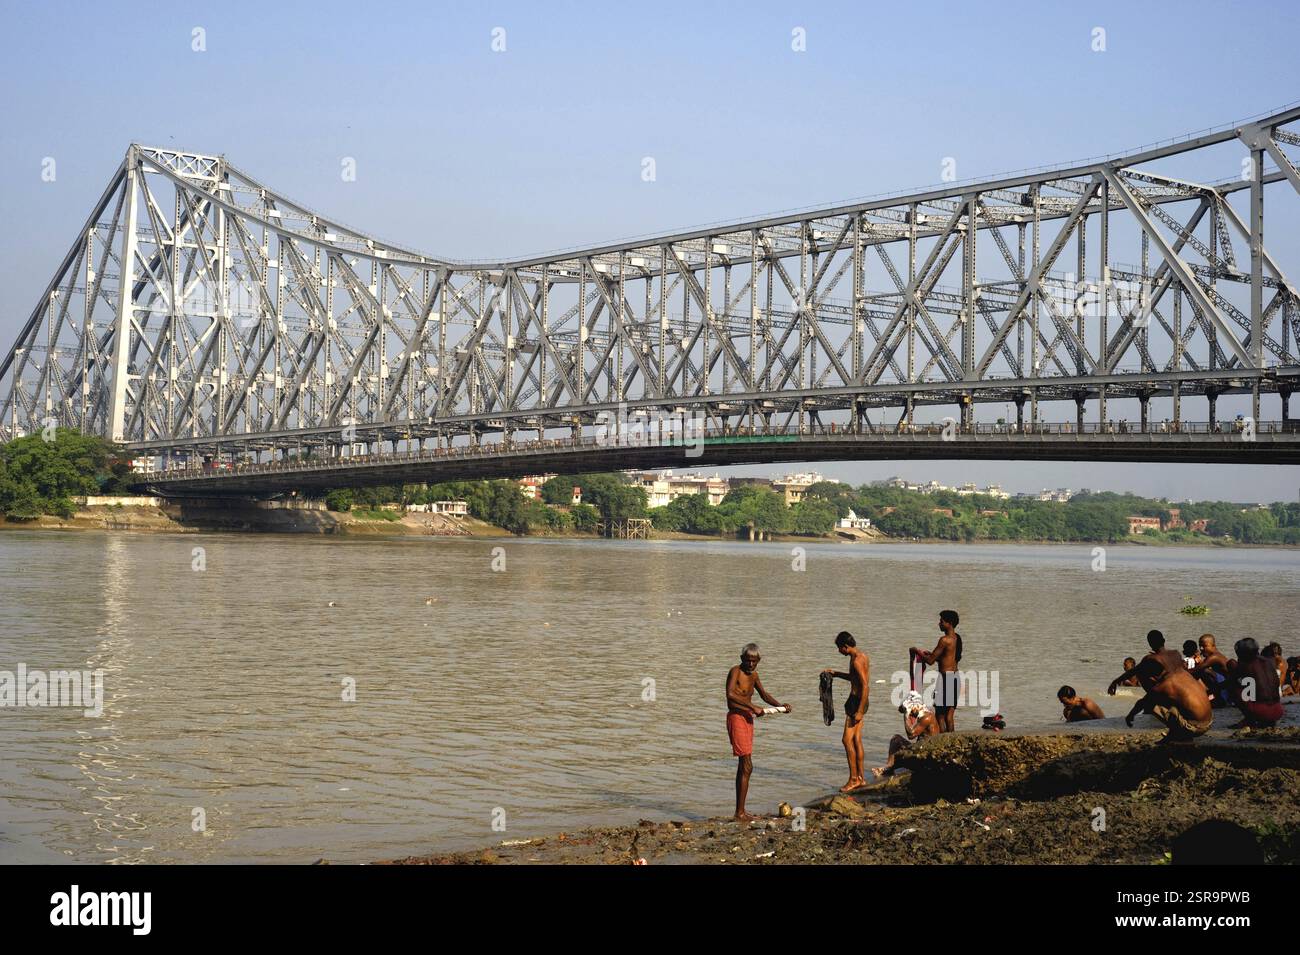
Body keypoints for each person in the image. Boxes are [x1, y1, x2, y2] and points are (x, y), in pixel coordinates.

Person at [725, 643, 789, 821]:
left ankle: (741, 811)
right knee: (746, 765)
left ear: (758, 661)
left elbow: (764, 694)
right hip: (737, 717)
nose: (751, 664)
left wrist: (780, 706)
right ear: (741, 659)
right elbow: (730, 696)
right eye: (747, 660)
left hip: (747, 719)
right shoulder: (735, 671)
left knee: (745, 766)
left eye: (754, 661)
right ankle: (740, 813)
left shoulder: (754, 675)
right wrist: (752, 706)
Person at [1123, 656, 1214, 743]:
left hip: (1195, 728)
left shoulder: (1165, 685)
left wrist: (1130, 716)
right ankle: (1174, 734)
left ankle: (1181, 736)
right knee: (1172, 704)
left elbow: (1143, 702)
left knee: (1150, 704)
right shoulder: (1182, 674)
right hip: (1209, 723)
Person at [822, 631, 870, 792]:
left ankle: (853, 779)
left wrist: (860, 711)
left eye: (839, 648)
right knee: (856, 740)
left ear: (846, 646)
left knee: (846, 740)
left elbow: (864, 686)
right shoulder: (861, 656)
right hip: (860, 702)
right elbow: (853, 678)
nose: (838, 651)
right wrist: (835, 674)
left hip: (856, 702)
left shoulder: (856, 661)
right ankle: (861, 778)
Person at [912, 610, 962, 732]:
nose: (939, 623)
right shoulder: (957, 638)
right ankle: (952, 743)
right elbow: (947, 658)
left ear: (949, 623)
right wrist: (932, 655)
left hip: (945, 680)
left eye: (941, 621)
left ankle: (943, 743)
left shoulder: (944, 640)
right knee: (949, 716)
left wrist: (916, 651)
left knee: (940, 715)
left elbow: (930, 661)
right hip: (955, 678)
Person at [873, 690, 939, 777]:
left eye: (911, 711)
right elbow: (900, 709)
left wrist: (906, 716)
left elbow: (911, 735)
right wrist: (905, 708)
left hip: (925, 754)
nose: (911, 714)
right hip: (922, 748)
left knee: (896, 739)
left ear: (916, 706)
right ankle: (890, 767)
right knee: (897, 744)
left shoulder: (926, 717)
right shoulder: (923, 711)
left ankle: (889, 768)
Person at [1231, 638, 1284, 729]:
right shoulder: (1268, 661)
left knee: (1233, 686)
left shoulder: (1246, 665)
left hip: (1261, 712)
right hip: (1278, 710)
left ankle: (1249, 720)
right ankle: (1268, 721)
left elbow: (1232, 682)